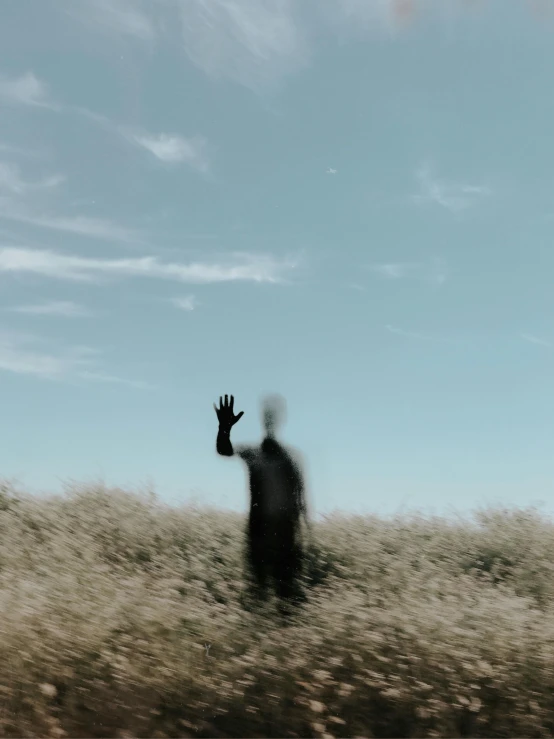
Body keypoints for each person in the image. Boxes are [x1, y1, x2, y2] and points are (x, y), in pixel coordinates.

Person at [214, 393, 309, 605]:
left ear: (279, 419)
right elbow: (224, 449)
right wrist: (224, 428)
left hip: (283, 531)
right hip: (262, 529)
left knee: (284, 593)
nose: (269, 420)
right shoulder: (255, 453)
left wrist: (304, 533)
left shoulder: (290, 457)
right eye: (267, 415)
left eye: (272, 415)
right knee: (260, 590)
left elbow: (300, 498)